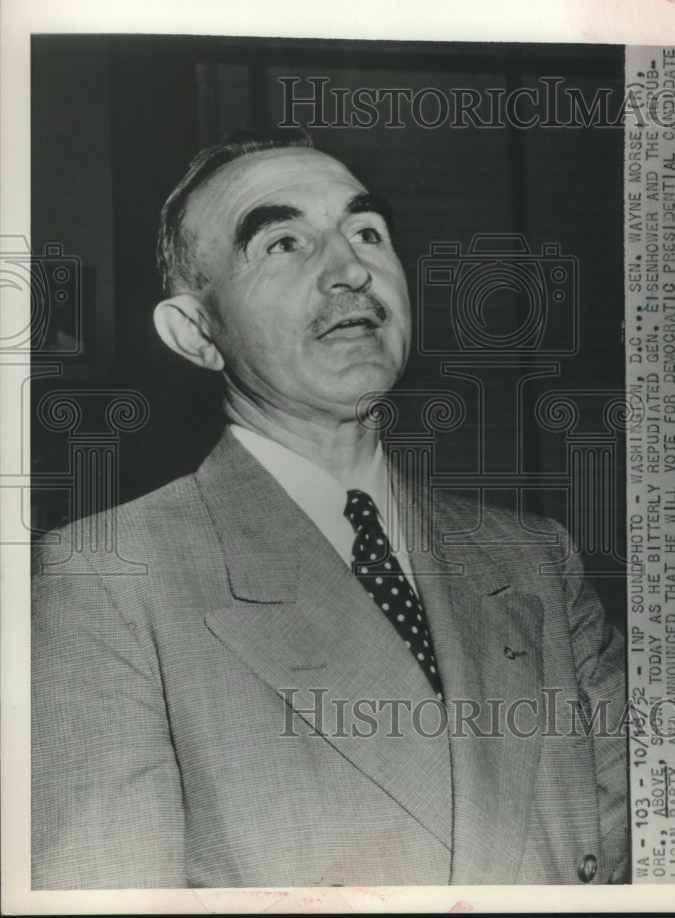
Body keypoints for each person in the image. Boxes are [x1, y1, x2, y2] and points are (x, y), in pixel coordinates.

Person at [32, 131, 628, 889]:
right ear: (196, 332)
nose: (351, 269)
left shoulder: (534, 558)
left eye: (368, 232)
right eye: (283, 243)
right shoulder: (107, 580)